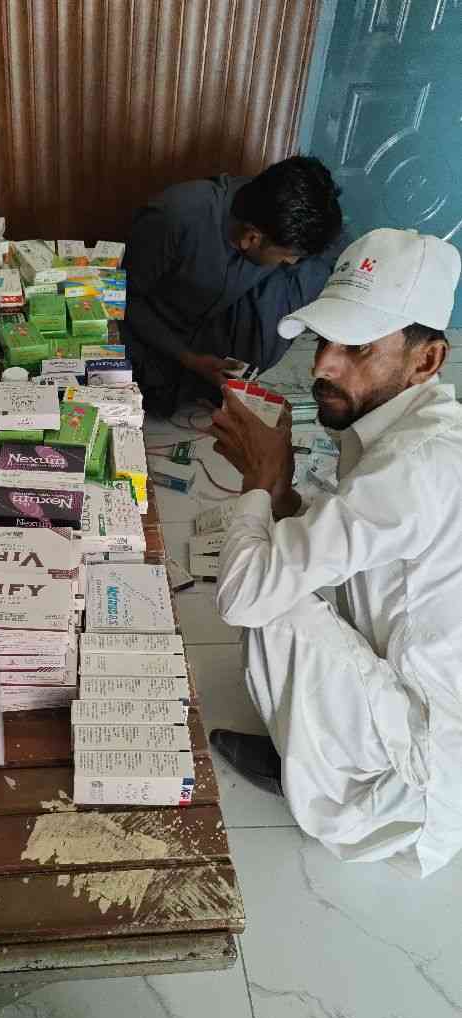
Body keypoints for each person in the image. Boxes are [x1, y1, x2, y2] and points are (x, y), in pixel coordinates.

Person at [208, 227, 462, 878]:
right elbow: (344, 546)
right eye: (326, 340)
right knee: (288, 552)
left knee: (271, 597)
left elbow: (243, 595)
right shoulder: (407, 428)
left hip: (423, 774)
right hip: (412, 690)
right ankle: (314, 751)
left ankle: (334, 783)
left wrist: (261, 481)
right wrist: (280, 493)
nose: (323, 365)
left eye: (358, 348)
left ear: (427, 360)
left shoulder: (414, 465)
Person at [123, 156, 343, 417]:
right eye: (287, 255)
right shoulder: (174, 217)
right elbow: (126, 301)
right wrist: (188, 358)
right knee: (143, 384)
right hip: (161, 328)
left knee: (316, 267)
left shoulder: (276, 213)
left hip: (216, 318)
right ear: (251, 238)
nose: (290, 262)